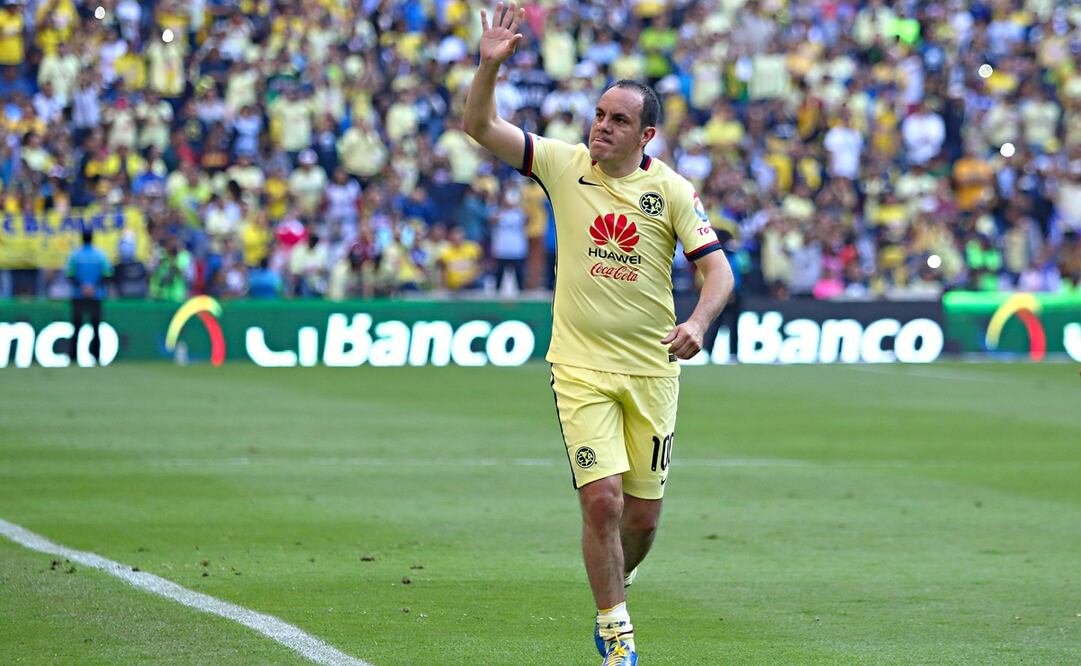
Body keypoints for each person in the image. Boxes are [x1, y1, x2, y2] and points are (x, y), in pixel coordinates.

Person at [463, 5, 735, 665]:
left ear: (645, 135)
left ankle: (618, 579)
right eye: (598, 114)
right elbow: (480, 126)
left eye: (618, 120)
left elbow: (718, 273)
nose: (602, 127)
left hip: (652, 371)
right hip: (579, 368)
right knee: (603, 502)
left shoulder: (671, 191)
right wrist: (489, 66)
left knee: (641, 520)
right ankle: (616, 632)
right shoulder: (562, 165)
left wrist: (698, 323)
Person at [65, 229, 113, 365]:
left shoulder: (75, 255)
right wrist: (93, 288)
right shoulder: (100, 255)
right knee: (96, 327)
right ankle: (96, 356)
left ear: (82, 238)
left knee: (76, 327)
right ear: (92, 238)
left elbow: (69, 274)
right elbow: (107, 274)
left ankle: (73, 357)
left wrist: (82, 287)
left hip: (78, 295)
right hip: (96, 295)